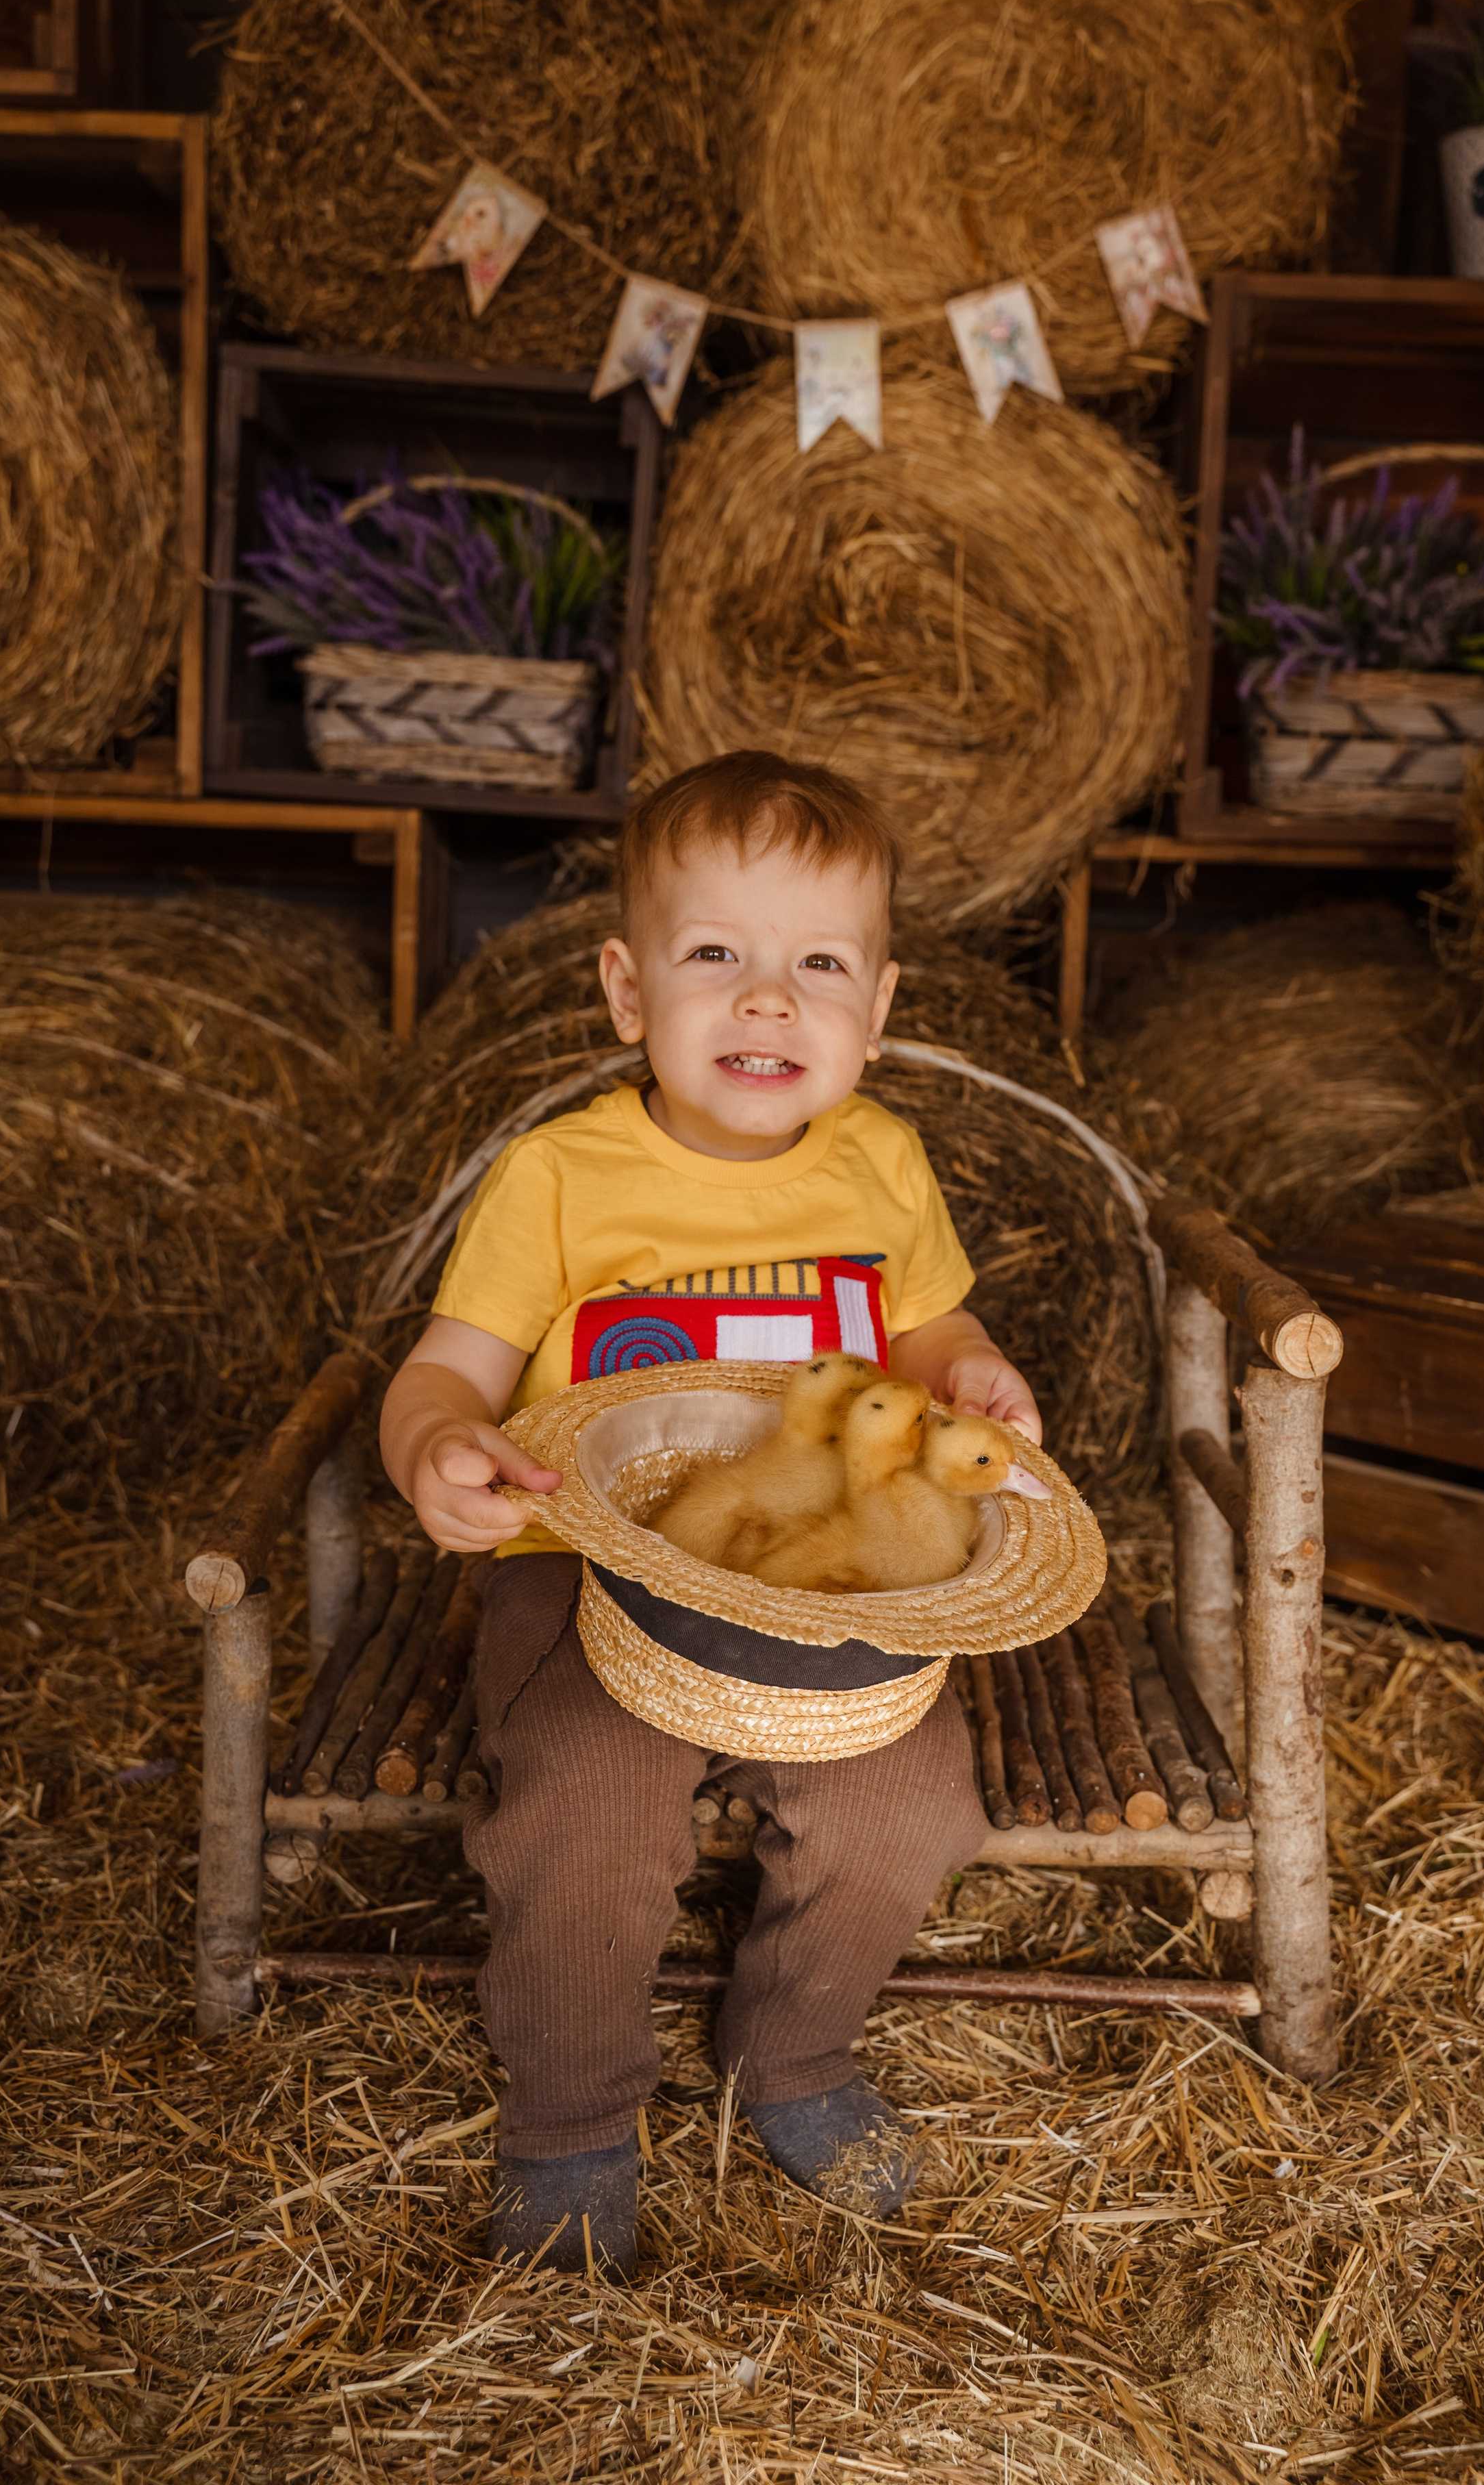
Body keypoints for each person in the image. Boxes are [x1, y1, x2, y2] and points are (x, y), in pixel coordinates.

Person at [380, 749, 1043, 2276]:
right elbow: (444, 1373)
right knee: (581, 1810)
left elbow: (932, 1333)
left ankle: (793, 2051)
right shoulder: (561, 1178)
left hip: (826, 1585)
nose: (765, 1001)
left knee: (908, 1805)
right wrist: (437, 1452)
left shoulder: (882, 1162)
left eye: (816, 964)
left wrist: (975, 1369)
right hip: (592, 1571)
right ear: (627, 992)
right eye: (713, 957)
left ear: (875, 1010)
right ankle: (569, 2112)